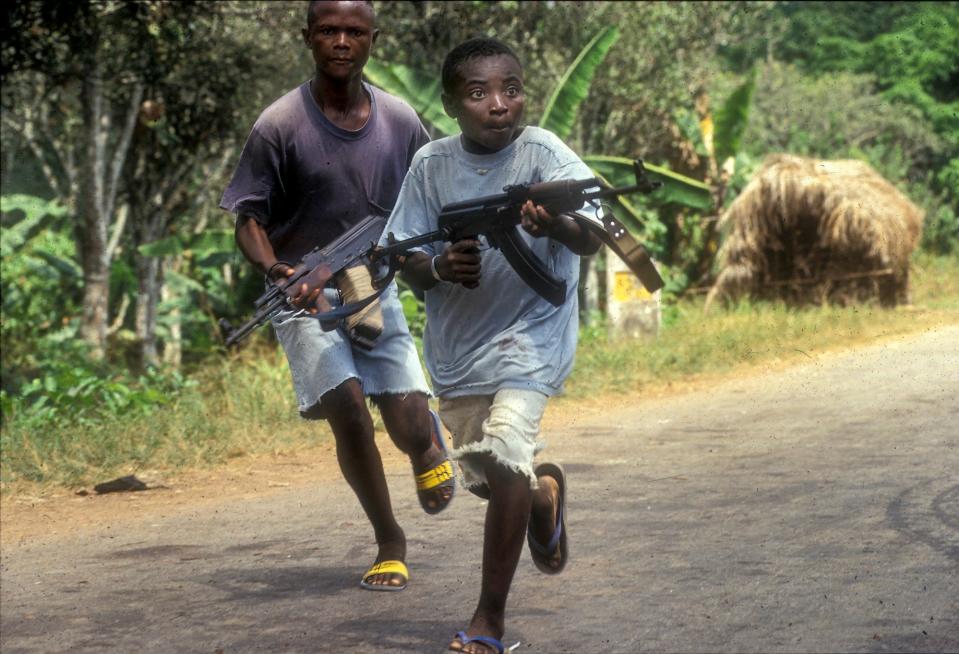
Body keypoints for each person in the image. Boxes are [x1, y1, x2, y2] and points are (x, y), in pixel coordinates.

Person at [219, 0, 454, 593]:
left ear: (374, 39)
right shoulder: (279, 123)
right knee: (347, 407)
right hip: (306, 291)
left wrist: (415, 255)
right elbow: (247, 218)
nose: (341, 41)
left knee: (407, 427)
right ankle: (389, 541)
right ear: (308, 38)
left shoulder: (400, 119)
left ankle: (428, 442)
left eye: (354, 31)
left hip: (373, 283)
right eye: (329, 31)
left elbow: (433, 188)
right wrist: (277, 272)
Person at [383, 37, 603, 653]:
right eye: (478, 93)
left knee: (504, 454)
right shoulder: (431, 164)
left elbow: (591, 234)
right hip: (459, 350)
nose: (499, 104)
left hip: (535, 335)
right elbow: (405, 253)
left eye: (511, 89)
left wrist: (556, 223)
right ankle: (542, 496)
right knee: (491, 476)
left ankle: (488, 621)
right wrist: (438, 268)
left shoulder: (545, 152)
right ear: (451, 105)